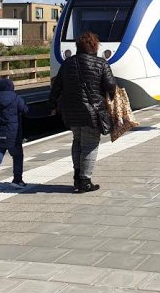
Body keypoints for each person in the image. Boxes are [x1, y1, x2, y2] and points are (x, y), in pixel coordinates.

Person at [49, 31, 116, 193]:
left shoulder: (67, 64)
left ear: (78, 47)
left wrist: (51, 105)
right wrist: (111, 99)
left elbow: (56, 87)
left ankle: (77, 178)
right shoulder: (101, 64)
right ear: (95, 46)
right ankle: (85, 181)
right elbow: (111, 86)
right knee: (89, 145)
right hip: (92, 113)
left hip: (71, 112)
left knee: (77, 142)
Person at [0, 78, 29, 194]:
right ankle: (17, 180)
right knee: (17, 157)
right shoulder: (16, 99)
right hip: (13, 136)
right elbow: (26, 111)